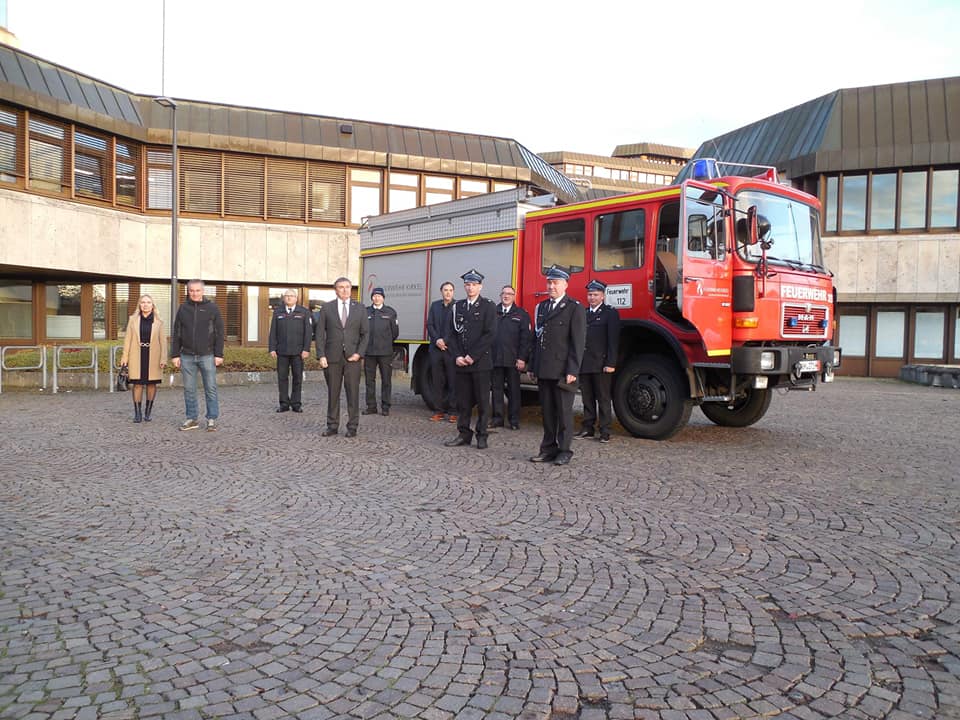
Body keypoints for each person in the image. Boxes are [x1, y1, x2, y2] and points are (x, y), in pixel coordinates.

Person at [529, 266, 586, 466]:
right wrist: (533, 366)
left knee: (563, 413)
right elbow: (537, 339)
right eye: (549, 282)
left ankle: (564, 450)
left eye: (556, 283)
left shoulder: (574, 307)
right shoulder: (542, 307)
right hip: (544, 369)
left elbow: (577, 343)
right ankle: (547, 449)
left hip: (563, 371)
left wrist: (572, 369)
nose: (551, 286)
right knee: (548, 413)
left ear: (565, 285)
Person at [444, 269, 496, 450]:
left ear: (480, 287)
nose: (470, 287)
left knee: (482, 402)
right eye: (467, 284)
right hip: (461, 363)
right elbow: (450, 334)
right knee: (463, 402)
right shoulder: (457, 306)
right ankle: (464, 433)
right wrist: (457, 355)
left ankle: (482, 435)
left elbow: (490, 335)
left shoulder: (488, 306)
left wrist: (472, 356)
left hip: (480, 363)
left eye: (474, 284)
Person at [315, 277, 368, 437]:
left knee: (353, 393)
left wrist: (359, 354)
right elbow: (319, 334)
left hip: (353, 358)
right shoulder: (326, 308)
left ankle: (352, 426)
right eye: (341, 287)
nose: (345, 290)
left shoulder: (360, 308)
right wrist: (321, 355)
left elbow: (365, 334)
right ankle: (332, 425)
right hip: (332, 358)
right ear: (335, 289)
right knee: (333, 393)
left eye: (347, 287)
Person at [171, 279, 224, 431]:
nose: (194, 293)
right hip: (187, 356)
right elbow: (177, 333)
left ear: (203, 291)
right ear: (188, 291)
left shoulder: (212, 308)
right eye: (191, 290)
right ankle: (192, 418)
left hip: (207, 355)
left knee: (211, 388)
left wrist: (218, 354)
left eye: (197, 290)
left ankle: (211, 418)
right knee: (189, 389)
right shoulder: (183, 308)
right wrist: (175, 354)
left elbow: (220, 333)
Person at [576, 279, 621, 443]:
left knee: (603, 398)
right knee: (586, 398)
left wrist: (611, 363)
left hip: (602, 364)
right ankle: (588, 428)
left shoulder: (610, 313)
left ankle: (605, 430)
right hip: (585, 362)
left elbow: (613, 341)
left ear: (602, 296)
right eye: (590, 294)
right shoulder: (583, 313)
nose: (592, 298)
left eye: (595, 295)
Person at [489, 285, 531, 431]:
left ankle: (514, 420)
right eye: (504, 294)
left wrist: (522, 358)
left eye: (509, 294)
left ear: (514, 296)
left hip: (513, 360)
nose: (506, 296)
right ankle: (497, 419)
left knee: (514, 391)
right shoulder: (493, 312)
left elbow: (526, 339)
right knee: (496, 390)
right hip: (496, 359)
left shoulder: (521, 314)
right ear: (500, 296)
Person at [120, 294, 168, 423]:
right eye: (143, 302)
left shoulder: (159, 321)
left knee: (152, 384)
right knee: (137, 384)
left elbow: (163, 342)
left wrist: (163, 358)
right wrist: (125, 357)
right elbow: (127, 339)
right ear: (139, 305)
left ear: (153, 305)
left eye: (148, 302)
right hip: (136, 354)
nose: (145, 304)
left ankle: (148, 412)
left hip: (154, 356)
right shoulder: (133, 320)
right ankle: (137, 413)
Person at [268, 289, 313, 413]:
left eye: (292, 296)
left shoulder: (303, 312)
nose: (289, 298)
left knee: (297, 378)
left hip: (298, 352)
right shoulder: (278, 312)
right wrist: (272, 348)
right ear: (284, 298)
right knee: (282, 378)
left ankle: (296, 403)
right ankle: (283, 404)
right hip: (282, 351)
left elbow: (308, 333)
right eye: (287, 296)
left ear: (296, 298)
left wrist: (306, 349)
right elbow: (273, 332)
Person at [363, 287, 399, 416]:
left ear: (383, 298)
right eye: (374, 296)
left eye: (379, 296)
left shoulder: (390, 312)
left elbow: (395, 333)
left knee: (386, 381)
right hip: (369, 352)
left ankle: (385, 406)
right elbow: (362, 331)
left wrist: (386, 342)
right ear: (372, 297)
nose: (377, 298)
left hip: (385, 352)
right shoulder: (366, 312)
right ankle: (371, 406)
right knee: (369, 381)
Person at [427, 281, 458, 424]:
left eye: (450, 290)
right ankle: (438, 411)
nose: (448, 292)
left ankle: (452, 412)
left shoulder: (458, 306)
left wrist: (445, 340)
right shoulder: (435, 306)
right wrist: (437, 340)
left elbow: (456, 328)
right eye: (445, 290)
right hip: (436, 349)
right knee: (437, 381)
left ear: (453, 292)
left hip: (451, 350)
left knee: (453, 381)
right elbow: (430, 325)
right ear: (441, 291)